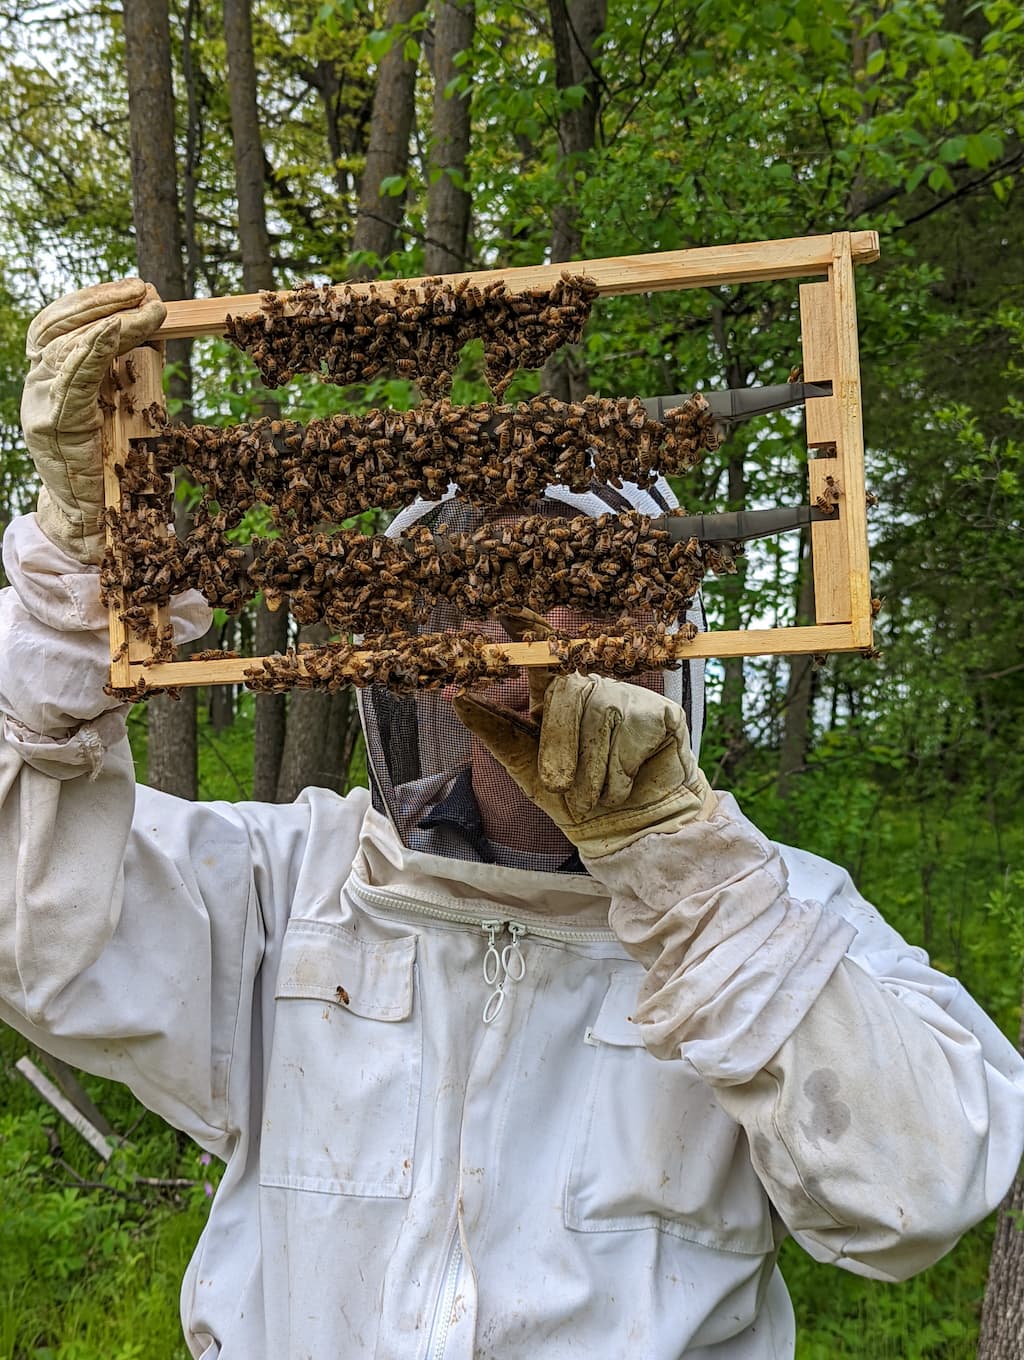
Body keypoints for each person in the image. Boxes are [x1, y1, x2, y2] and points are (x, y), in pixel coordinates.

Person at [1, 279, 1022, 1360]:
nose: (541, 638)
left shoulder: (774, 916)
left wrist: (689, 876)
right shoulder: (293, 885)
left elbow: (923, 1188)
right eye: (493, 592)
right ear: (431, 658)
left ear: (663, 647)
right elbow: (34, 934)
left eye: (594, 596)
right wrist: (73, 583)